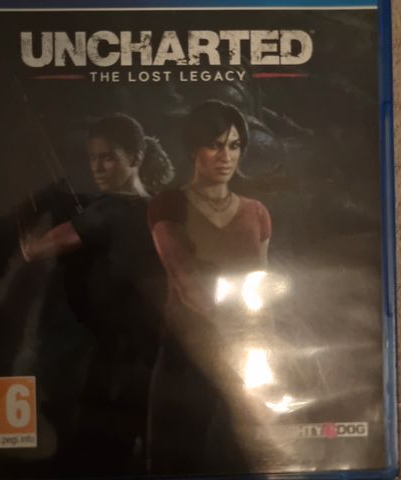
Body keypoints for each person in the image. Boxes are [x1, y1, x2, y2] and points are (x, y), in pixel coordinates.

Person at [20, 113, 173, 474]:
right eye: (93, 158)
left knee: (98, 450)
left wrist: (37, 214)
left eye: (108, 157)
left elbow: (35, 249)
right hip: (149, 352)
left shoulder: (110, 208)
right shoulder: (157, 208)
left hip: (114, 357)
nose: (98, 167)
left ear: (135, 157)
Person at [147, 100, 273, 474]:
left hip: (245, 356)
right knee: (178, 460)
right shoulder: (169, 204)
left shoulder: (256, 212)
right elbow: (187, 282)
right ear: (193, 149)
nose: (226, 156)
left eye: (234, 146)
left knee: (241, 460)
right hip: (187, 354)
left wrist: (265, 349)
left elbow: (261, 286)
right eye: (215, 145)